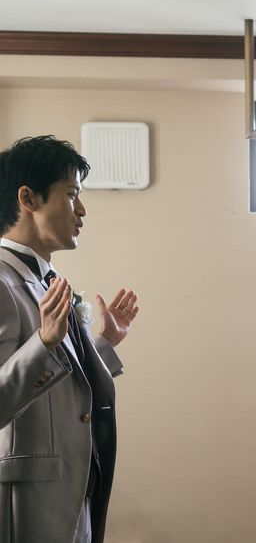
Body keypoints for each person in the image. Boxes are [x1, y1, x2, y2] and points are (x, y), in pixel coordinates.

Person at [0, 135, 139, 543]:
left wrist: (103, 344)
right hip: (27, 505)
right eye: (72, 194)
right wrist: (43, 342)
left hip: (73, 494)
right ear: (28, 198)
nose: (82, 210)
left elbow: (58, 387)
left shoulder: (48, 280)